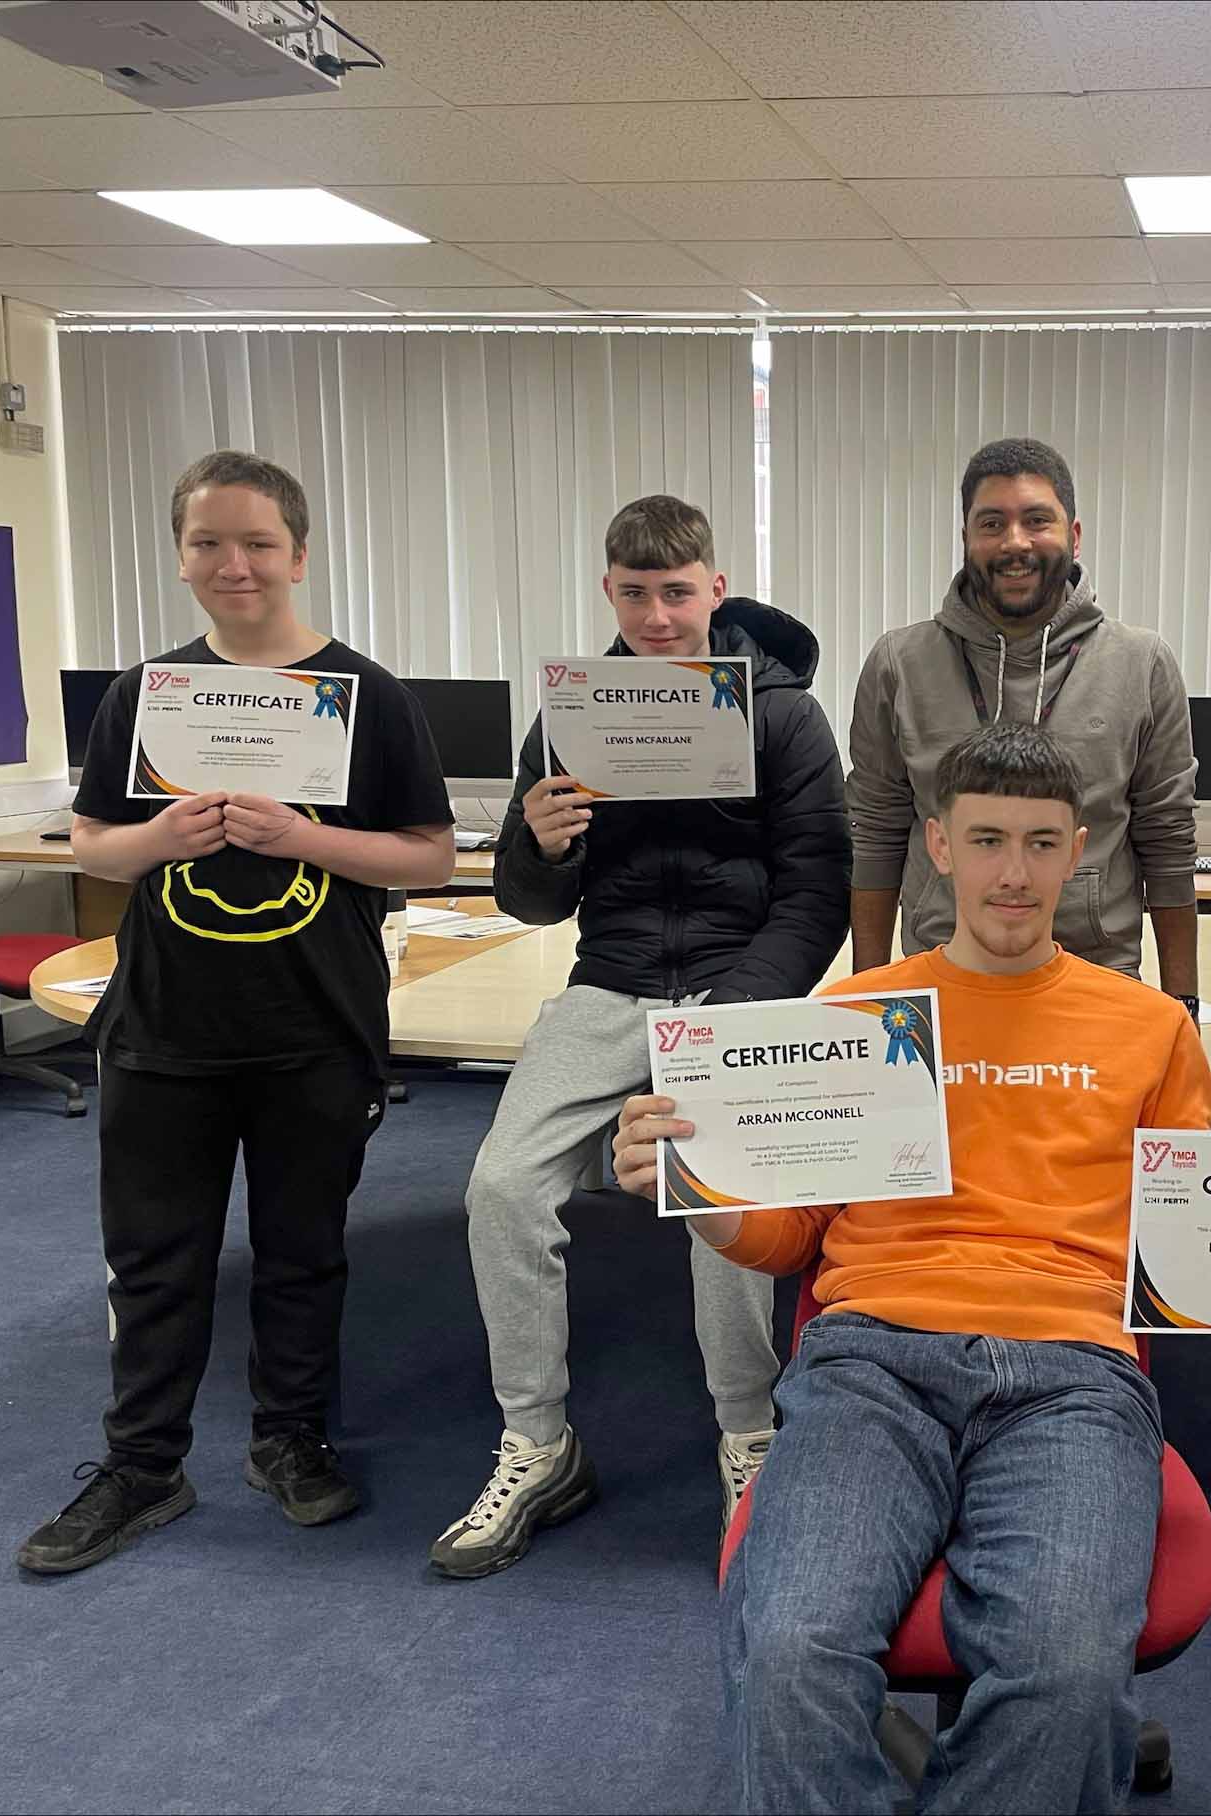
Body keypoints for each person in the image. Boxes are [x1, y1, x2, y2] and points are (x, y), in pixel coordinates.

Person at [616, 724, 1211, 1813]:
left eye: (1038, 842)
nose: (1011, 873)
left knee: (1063, 1674)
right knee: (786, 1646)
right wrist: (699, 1195)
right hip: (870, 1360)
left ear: (1080, 853)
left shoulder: (1152, 1029)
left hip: (1072, 1375)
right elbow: (787, 1242)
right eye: (984, 840)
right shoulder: (853, 1017)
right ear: (937, 845)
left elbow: (1192, 1250)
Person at [17, 449, 454, 1574]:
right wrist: (159, 839)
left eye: (257, 542)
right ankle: (142, 1466)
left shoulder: (368, 697)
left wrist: (300, 836)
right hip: (165, 1028)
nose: (234, 563)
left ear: (297, 554)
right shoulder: (146, 696)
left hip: (317, 1024)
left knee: (304, 1254)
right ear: (180, 557)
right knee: (155, 1260)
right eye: (209, 541)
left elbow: (428, 854)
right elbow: (93, 841)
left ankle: (290, 1438)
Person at [431, 494, 849, 1578]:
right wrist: (538, 844)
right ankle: (538, 1439)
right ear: (607, 593)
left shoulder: (784, 715)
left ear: (714, 587)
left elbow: (817, 893)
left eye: (676, 591)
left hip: (733, 984)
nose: (657, 617)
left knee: (712, 1185)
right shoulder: (571, 713)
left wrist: (737, 1008)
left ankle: (747, 1429)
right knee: (499, 1188)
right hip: (606, 984)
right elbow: (531, 906)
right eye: (634, 593)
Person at [846, 436, 1200, 1010]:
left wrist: (1183, 998)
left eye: (1037, 520)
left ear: (1074, 534)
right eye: (992, 524)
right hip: (938, 984)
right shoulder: (900, 664)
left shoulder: (1141, 663)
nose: (1015, 543)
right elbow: (877, 834)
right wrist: (867, 994)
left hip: (1096, 977)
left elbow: (1167, 839)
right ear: (966, 539)